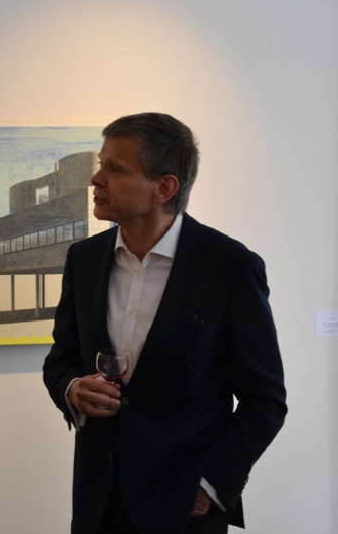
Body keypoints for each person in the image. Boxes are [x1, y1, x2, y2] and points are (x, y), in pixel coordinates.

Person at [43, 113, 287, 534]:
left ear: (164, 188)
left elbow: (265, 401)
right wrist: (72, 389)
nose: (96, 179)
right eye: (101, 165)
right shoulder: (84, 259)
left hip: (184, 509)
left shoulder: (229, 267)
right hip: (97, 503)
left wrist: (210, 486)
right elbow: (60, 360)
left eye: (114, 169)